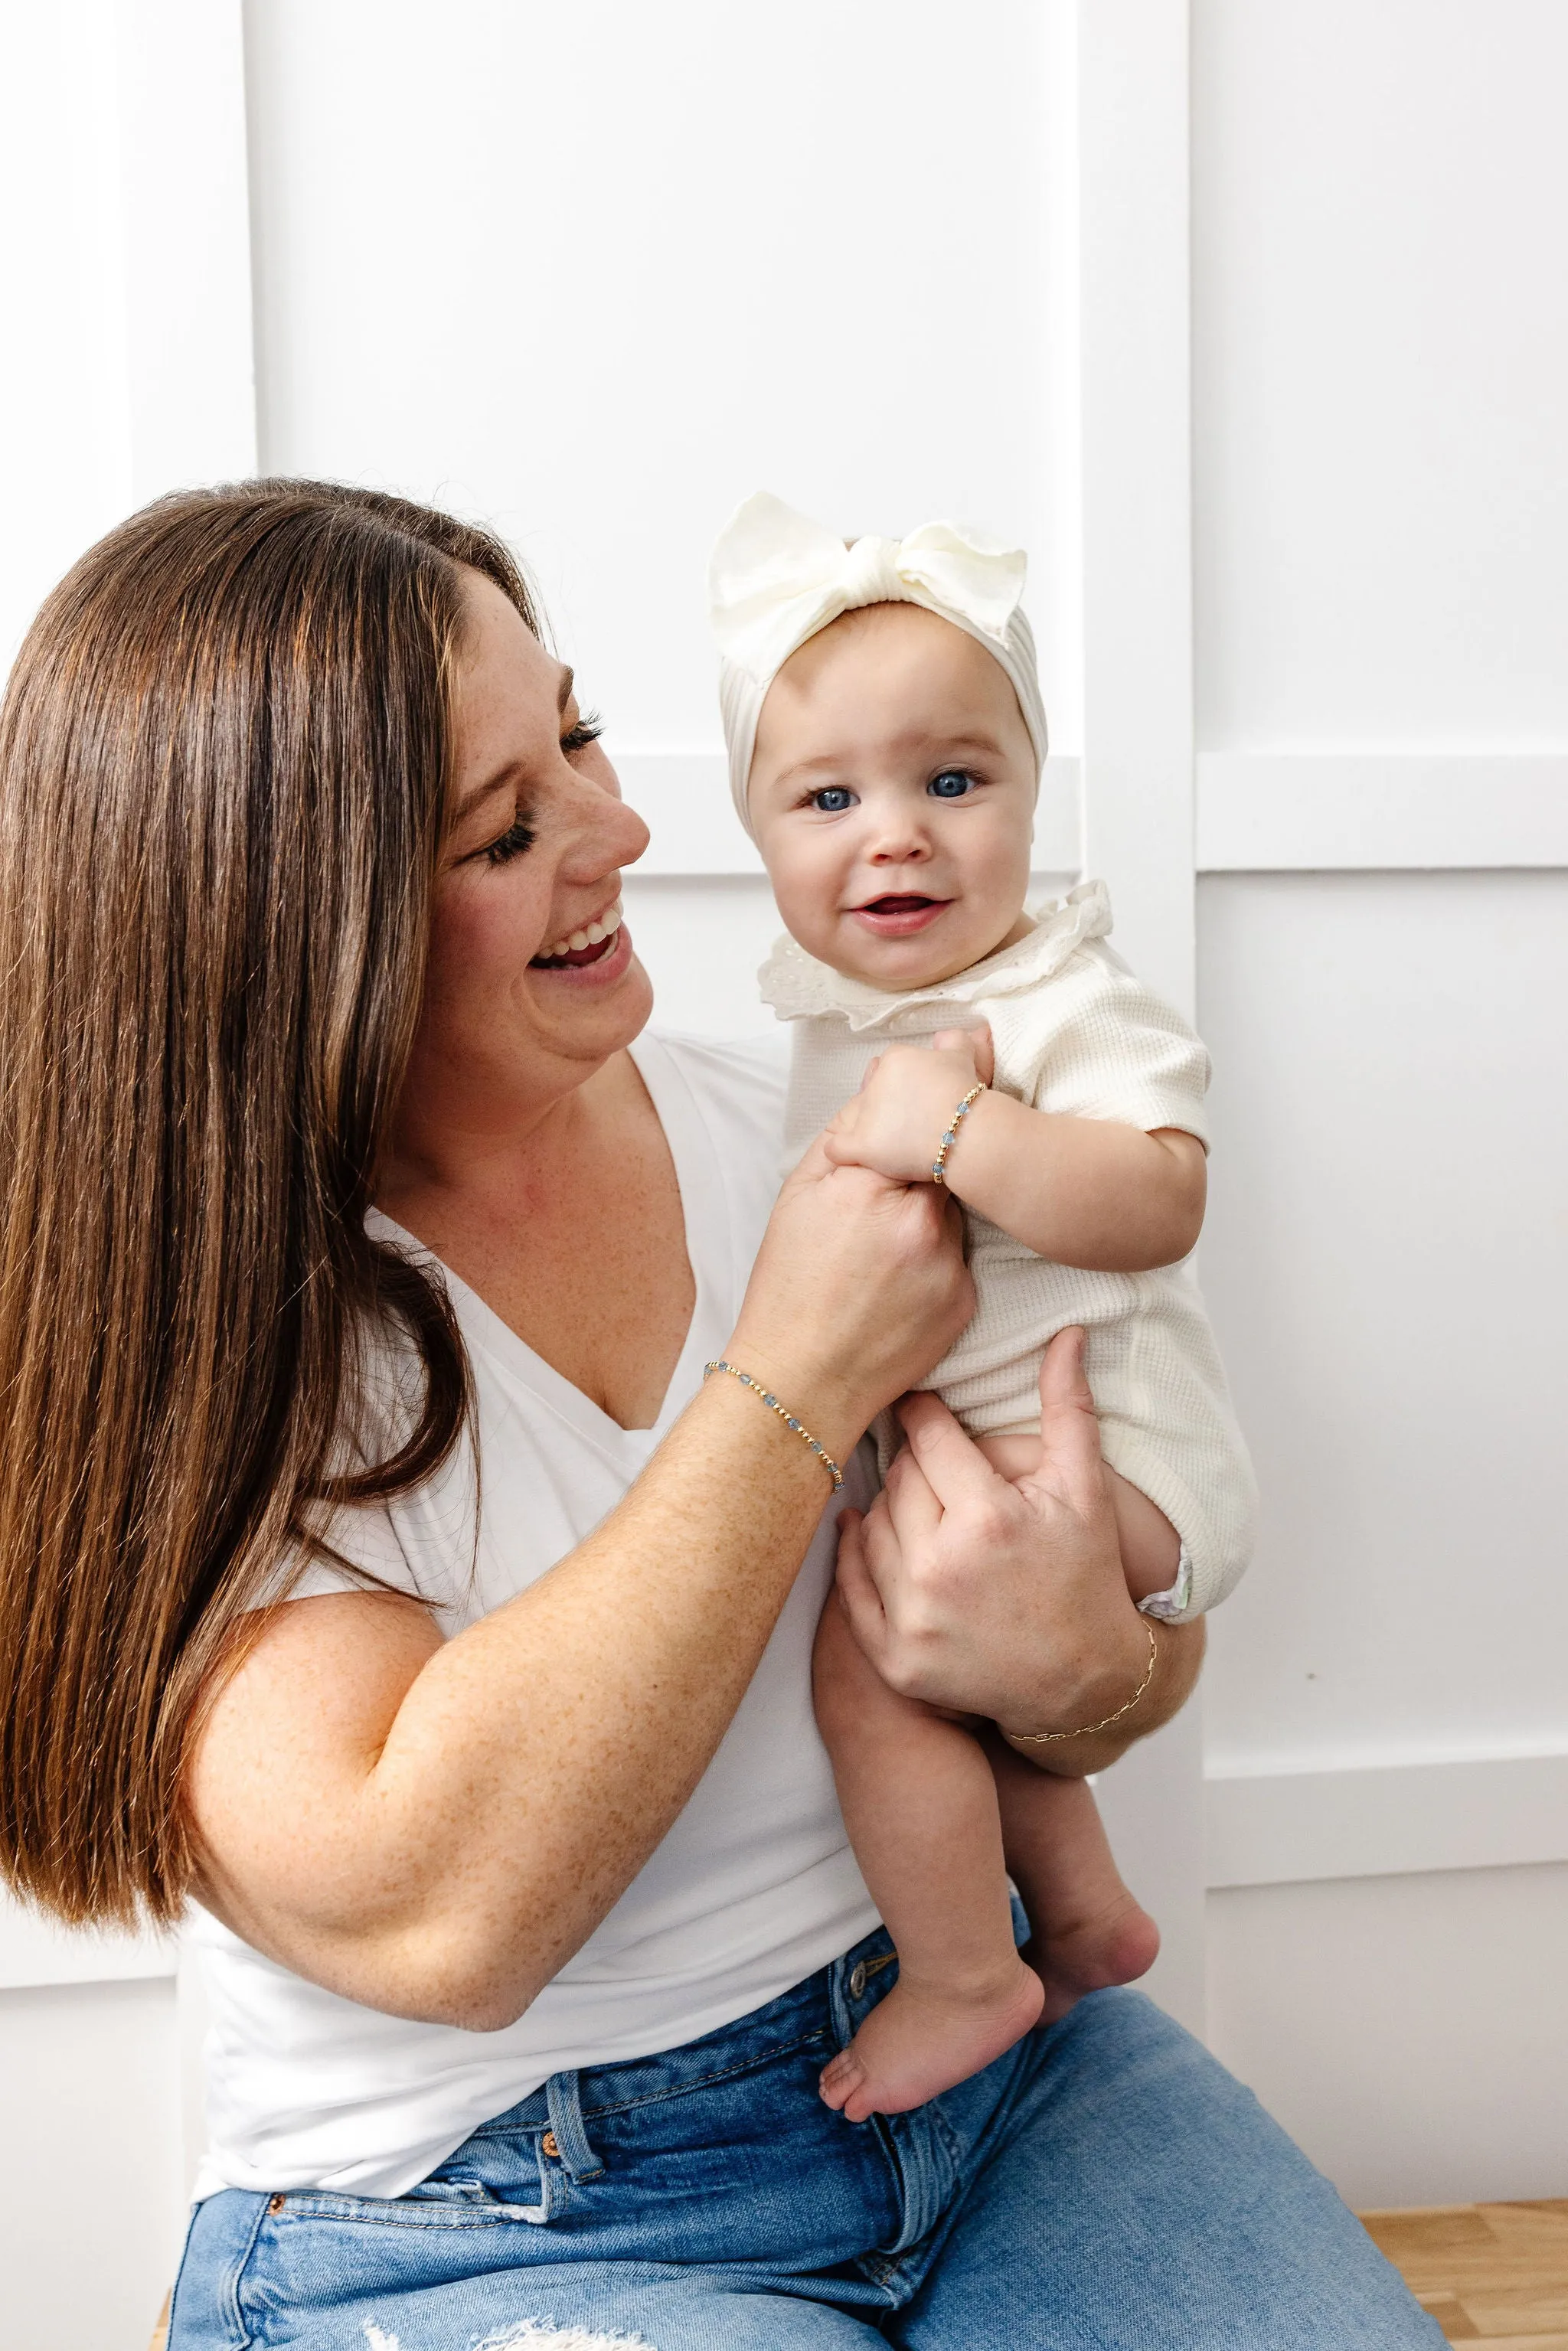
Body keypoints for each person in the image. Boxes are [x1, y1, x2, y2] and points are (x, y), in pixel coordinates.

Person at [0, 482, 1440, 2349]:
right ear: (298, 932)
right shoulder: (218, 1337)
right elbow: (445, 1921)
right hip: (490, 2213)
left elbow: (1125, 1650)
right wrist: (793, 1376)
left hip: (977, 2055)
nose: (626, 826)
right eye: (511, 825)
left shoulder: (822, 1112)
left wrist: (1082, 1654)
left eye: (580, 731)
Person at [707, 491, 1258, 2123]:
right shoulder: (829, 1017)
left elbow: (1164, 1190)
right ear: (755, 833)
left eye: (953, 780)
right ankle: (1081, 1911)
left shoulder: (1062, 992)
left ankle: (963, 1970)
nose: (896, 832)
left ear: (1031, 797)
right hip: (988, 1474)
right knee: (948, 1672)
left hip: (1116, 1464)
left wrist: (961, 1132)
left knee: (870, 1672)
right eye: (828, 794)